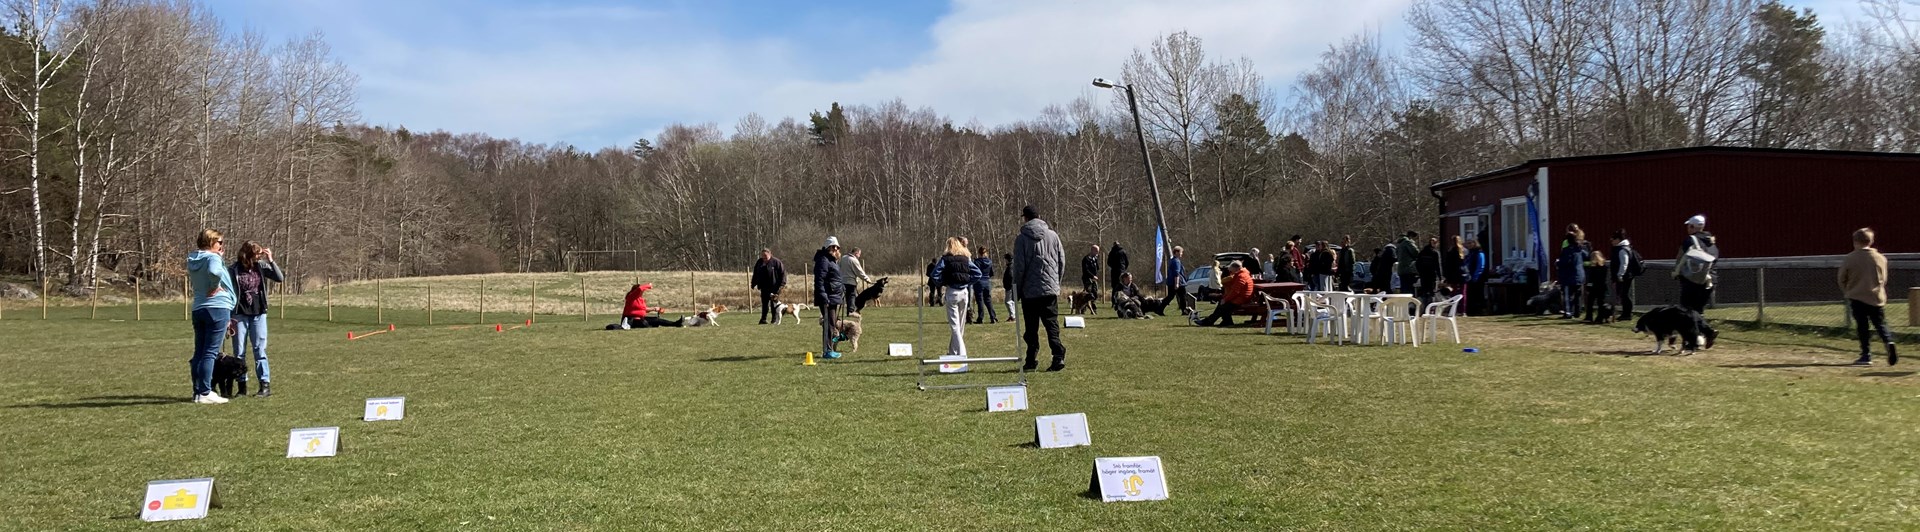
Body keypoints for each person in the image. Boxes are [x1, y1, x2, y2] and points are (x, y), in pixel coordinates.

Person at [1011, 206, 1068, 372]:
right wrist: (1056, 282)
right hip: (1049, 289)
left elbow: (1019, 267)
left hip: (1030, 291)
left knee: (1031, 327)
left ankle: (1031, 360)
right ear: (1039, 216)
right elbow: (1061, 261)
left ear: (1025, 218)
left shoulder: (1021, 239)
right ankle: (1058, 355)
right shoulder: (1053, 235)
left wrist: (1017, 289)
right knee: (1051, 324)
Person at [226, 241, 284, 398]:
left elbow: (280, 278)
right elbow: (228, 292)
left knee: (260, 350)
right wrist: (228, 317)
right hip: (239, 314)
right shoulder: (233, 269)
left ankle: (264, 385)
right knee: (239, 352)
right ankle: (242, 386)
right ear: (248, 254)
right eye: (257, 253)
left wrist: (271, 260)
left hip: (258, 314)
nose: (260, 256)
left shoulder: (261, 267)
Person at [186, 230, 235, 404]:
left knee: (199, 351)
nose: (222, 246)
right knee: (210, 352)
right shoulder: (213, 258)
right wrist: (215, 285)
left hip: (199, 307)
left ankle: (197, 391)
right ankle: (206, 392)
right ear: (211, 242)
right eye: (220, 242)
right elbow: (215, 272)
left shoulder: (193, 258)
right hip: (217, 306)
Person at [1841, 228, 1897, 366]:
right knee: (1880, 323)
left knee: (1862, 326)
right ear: (1871, 241)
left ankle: (1866, 355)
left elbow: (1842, 277)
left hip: (1857, 296)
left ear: (1855, 242)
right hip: (1876, 296)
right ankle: (1888, 341)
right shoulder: (1880, 258)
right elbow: (1883, 278)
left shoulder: (1850, 258)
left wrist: (1847, 290)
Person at [931, 237, 982, 358]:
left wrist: (942, 282)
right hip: (964, 293)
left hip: (952, 292)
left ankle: (962, 354)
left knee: (954, 326)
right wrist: (968, 282)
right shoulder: (965, 259)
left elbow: (934, 274)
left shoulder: (946, 259)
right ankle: (952, 352)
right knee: (960, 325)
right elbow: (978, 273)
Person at [1675, 215, 1718, 314]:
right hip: (1710, 279)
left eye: (1689, 226)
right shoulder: (1711, 241)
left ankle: (1690, 328)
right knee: (1699, 310)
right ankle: (1699, 327)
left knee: (1686, 310)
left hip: (1692, 280)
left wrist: (1676, 273)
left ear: (1692, 227)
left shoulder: (1690, 240)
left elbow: (1682, 259)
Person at [813, 237, 846, 358]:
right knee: (828, 324)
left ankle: (830, 348)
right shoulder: (823, 260)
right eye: (833, 247)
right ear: (828, 248)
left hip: (834, 297)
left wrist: (842, 288)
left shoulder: (832, 261)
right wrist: (823, 296)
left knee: (832, 324)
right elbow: (819, 280)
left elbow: (834, 278)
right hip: (827, 298)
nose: (836, 249)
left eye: (837, 247)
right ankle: (827, 350)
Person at [1199, 261, 1255, 327]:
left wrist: (1225, 299)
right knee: (1222, 304)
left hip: (1242, 298)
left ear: (1236, 268)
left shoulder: (1241, 276)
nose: (1230, 272)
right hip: (1241, 297)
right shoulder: (1242, 274)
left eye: (1231, 269)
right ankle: (1225, 321)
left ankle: (1209, 321)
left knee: (1223, 306)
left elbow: (1235, 291)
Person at [609, 283, 681, 329]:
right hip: (631, 320)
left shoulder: (640, 299)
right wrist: (649, 285)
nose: (642, 292)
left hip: (640, 318)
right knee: (645, 323)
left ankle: (675, 324)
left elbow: (643, 309)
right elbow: (640, 288)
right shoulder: (631, 297)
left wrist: (654, 309)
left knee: (656, 320)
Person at [1556, 233, 1588, 319]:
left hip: (1569, 276)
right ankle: (1577, 312)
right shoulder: (1580, 249)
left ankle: (1568, 312)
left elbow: (1565, 262)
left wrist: (1558, 263)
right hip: (1580, 275)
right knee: (1578, 295)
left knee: (1568, 296)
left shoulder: (1567, 250)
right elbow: (1586, 256)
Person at [751, 248, 786, 325]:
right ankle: (763, 319)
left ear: (770, 254)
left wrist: (782, 284)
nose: (764, 257)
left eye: (765, 256)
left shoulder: (776, 262)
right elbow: (755, 273)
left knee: (774, 304)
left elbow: (783, 273)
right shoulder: (759, 262)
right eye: (762, 256)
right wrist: (753, 283)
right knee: (765, 304)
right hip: (764, 286)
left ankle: (774, 319)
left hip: (775, 286)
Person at [1610, 230, 1639, 321]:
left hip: (1624, 276)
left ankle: (1627, 313)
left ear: (1618, 239)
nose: (1612, 241)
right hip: (1626, 275)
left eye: (1613, 239)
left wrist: (1620, 274)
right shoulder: (1624, 248)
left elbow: (1624, 263)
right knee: (1623, 295)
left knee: (1624, 295)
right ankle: (1625, 313)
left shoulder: (1622, 249)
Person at [840, 247, 874, 318]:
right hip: (851, 282)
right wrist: (867, 279)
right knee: (852, 297)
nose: (859, 256)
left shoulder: (843, 258)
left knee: (842, 298)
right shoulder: (853, 260)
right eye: (859, 254)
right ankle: (851, 312)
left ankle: (834, 311)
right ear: (856, 253)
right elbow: (859, 272)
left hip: (842, 281)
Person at [1582, 244, 1610, 323]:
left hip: (1594, 287)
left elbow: (1591, 279)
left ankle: (1589, 317)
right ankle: (1600, 317)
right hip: (1602, 287)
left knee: (1590, 302)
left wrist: (1588, 287)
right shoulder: (1604, 267)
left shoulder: (1593, 268)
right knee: (1601, 303)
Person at [970, 246, 997, 324]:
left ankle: (980, 318)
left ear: (979, 253)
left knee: (980, 301)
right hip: (987, 282)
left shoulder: (976, 262)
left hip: (979, 282)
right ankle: (993, 317)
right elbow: (991, 273)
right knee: (988, 300)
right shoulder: (989, 261)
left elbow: (974, 272)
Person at [1164, 246, 1190, 315]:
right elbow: (1176, 273)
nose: (1182, 254)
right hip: (1178, 282)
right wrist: (1177, 283)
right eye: (1181, 252)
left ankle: (1160, 308)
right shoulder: (1176, 261)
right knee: (1182, 296)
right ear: (1177, 252)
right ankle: (1184, 310)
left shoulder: (1172, 260)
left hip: (1171, 282)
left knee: (1170, 296)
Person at [1465, 238, 1488, 315]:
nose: (1469, 245)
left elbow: (1480, 266)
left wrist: (1476, 276)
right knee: (1470, 295)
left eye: (1470, 243)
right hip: (1469, 277)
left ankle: (1480, 311)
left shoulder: (1479, 253)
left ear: (1475, 243)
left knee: (1478, 295)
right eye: (1467, 243)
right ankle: (1471, 311)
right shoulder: (1469, 254)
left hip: (1478, 278)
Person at [1416, 237, 1442, 304]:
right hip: (1432, 275)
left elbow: (1417, 263)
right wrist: (1440, 277)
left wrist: (1420, 272)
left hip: (1423, 275)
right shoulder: (1435, 253)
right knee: (1432, 292)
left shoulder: (1422, 252)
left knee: (1424, 292)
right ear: (1436, 244)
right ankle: (1431, 308)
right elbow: (1437, 265)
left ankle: (1424, 308)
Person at [1442, 236, 1467, 302]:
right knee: (1463, 292)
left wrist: (1446, 276)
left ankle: (1454, 308)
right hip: (1462, 273)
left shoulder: (1450, 251)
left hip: (1453, 274)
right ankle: (1462, 309)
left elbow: (1447, 264)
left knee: (1454, 292)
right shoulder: (1464, 251)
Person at [1002, 252, 1017, 322]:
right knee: (1011, 302)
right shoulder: (1013, 266)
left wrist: (1008, 285)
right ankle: (1013, 315)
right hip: (1011, 286)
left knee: (1007, 301)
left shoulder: (1010, 267)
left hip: (1009, 286)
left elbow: (1010, 276)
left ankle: (1012, 316)